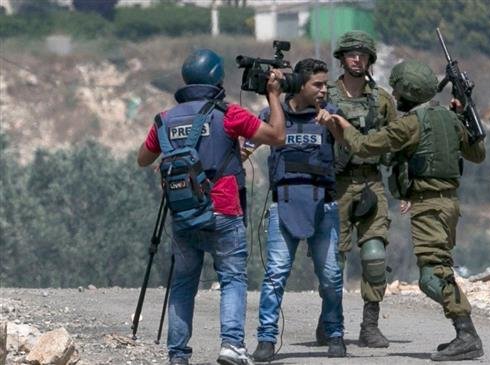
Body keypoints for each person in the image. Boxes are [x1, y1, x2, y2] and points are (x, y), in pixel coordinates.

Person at [322, 60, 486, 361]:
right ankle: (464, 333)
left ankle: (467, 335)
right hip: (449, 205)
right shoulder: (449, 119)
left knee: (432, 276)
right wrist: (465, 113)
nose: (394, 95)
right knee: (438, 267)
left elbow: (363, 146)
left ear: (408, 92)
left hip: (429, 206)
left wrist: (342, 127)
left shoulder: (410, 124)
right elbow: (478, 153)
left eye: (397, 90)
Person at [137, 48, 287, 365]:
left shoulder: (164, 120)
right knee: (232, 278)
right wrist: (273, 95)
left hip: (184, 213)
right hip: (224, 210)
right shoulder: (229, 114)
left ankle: (177, 354)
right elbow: (276, 135)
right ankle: (231, 345)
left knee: (182, 283)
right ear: (217, 79)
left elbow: (143, 159)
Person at [250, 58, 346, 362]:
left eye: (325, 85)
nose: (322, 90)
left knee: (331, 276)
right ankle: (266, 338)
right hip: (286, 202)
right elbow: (247, 143)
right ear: (300, 85)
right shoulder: (273, 115)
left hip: (323, 204)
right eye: (316, 84)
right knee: (276, 274)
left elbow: (348, 140)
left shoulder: (330, 114)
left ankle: (334, 333)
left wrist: (334, 124)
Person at [326, 30, 397, 348]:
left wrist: (404, 188)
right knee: (333, 260)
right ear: (342, 58)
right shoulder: (325, 95)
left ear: (370, 59)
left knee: (374, 255)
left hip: (371, 180)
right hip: (336, 184)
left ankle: (370, 325)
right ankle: (330, 322)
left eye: (363, 54)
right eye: (352, 54)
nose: (357, 59)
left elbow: (396, 144)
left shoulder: (381, 100)